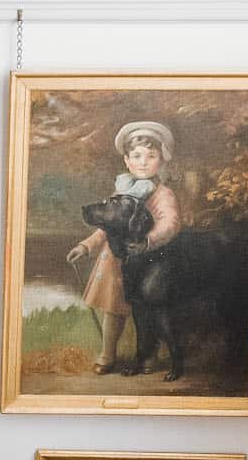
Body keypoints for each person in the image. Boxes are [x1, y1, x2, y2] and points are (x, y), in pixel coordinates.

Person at [66, 122, 182, 375]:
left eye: (151, 156)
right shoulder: (121, 191)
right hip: (115, 263)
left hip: (148, 262)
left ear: (161, 161)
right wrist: (86, 246)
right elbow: (107, 225)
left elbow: (171, 224)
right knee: (113, 311)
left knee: (147, 310)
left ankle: (148, 355)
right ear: (127, 161)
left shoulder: (162, 194)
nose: (143, 162)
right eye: (137, 156)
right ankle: (107, 355)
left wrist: (148, 241)